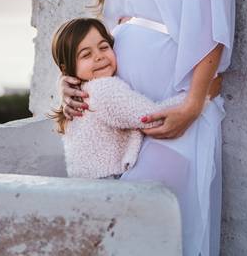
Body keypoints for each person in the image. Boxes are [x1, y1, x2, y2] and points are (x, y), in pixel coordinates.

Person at [57, 0, 235, 256]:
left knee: (157, 233)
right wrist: (71, 84)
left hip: (176, 114)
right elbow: (105, 41)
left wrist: (192, 104)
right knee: (131, 238)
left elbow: (212, 19)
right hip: (127, 129)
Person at [48, 17, 207, 180]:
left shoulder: (78, 91)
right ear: (66, 67)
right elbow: (152, 118)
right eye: (86, 55)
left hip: (87, 186)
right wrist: (199, 94)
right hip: (107, 184)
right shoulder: (102, 90)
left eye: (104, 47)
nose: (99, 56)